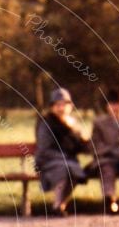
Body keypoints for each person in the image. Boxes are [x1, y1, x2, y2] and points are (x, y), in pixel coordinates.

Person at [34, 87, 91, 217]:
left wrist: (90, 145)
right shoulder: (46, 122)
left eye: (64, 104)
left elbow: (79, 144)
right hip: (48, 160)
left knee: (74, 170)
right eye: (58, 105)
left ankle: (59, 205)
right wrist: (63, 157)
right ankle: (58, 205)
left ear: (70, 106)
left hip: (69, 161)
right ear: (52, 106)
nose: (61, 108)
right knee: (66, 168)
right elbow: (44, 147)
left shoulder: (73, 123)